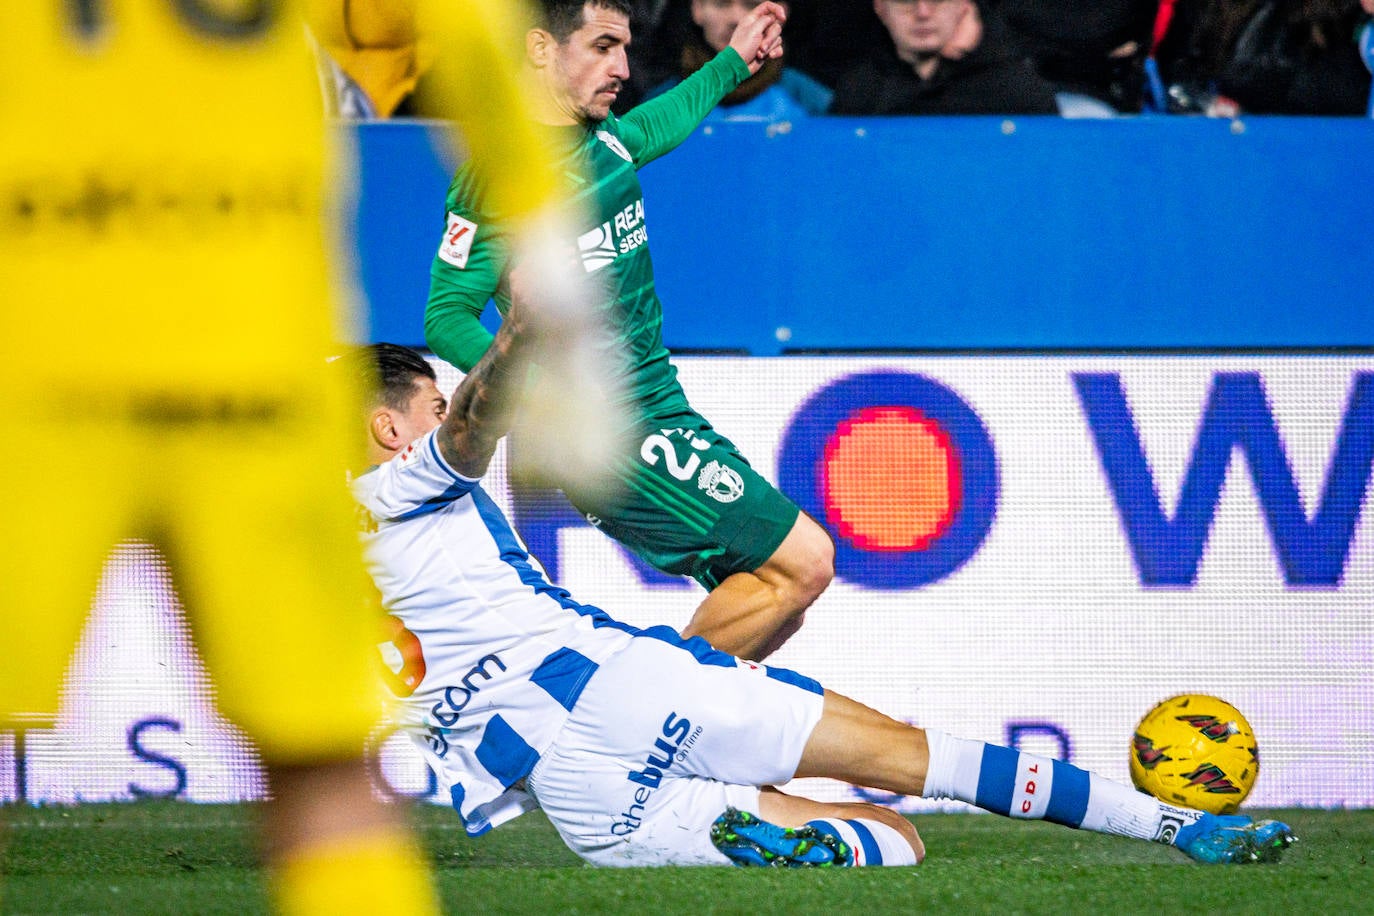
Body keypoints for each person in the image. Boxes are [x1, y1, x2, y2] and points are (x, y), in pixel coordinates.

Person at [0, 2, 593, 912]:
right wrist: (557, 281)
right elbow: (476, 46)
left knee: (321, 762)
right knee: (320, 765)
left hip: (43, 387)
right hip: (247, 386)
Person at [343, 332, 1297, 869]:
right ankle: (1180, 826)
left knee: (889, 845)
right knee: (914, 770)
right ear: (390, 429)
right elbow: (470, 430)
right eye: (427, 406)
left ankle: (742, 829)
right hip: (619, 686)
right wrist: (520, 337)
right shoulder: (396, 486)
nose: (446, 412)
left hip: (580, 802)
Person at [424, 0, 835, 663]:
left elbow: (656, 125)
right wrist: (542, 399)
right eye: (602, 46)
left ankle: (683, 749)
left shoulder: (606, 138)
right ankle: (635, 728)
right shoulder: (500, 175)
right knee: (805, 561)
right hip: (612, 428)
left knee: (768, 596)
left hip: (660, 406)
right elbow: (444, 317)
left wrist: (733, 59)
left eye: (625, 48)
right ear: (540, 50)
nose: (622, 66)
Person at [828, 0, 1061, 115]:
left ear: (964, 6)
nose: (923, 13)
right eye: (905, 1)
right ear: (880, 8)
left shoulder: (1015, 90)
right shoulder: (859, 89)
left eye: (938, 0)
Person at [1154, 0, 1373, 115]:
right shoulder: (1211, 9)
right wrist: (1206, 104)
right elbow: (1179, 72)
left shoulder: (1348, 13)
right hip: (1242, 148)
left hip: (1337, 149)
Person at [645, 0, 833, 121]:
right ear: (697, 9)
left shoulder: (809, 100)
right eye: (721, 4)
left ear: (779, 14)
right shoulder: (659, 103)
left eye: (752, 5)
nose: (735, 19)